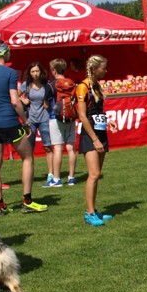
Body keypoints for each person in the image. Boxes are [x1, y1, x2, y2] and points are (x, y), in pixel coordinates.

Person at [0, 41, 46, 215]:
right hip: (9, 122)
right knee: (28, 157)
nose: (11, 54)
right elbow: (15, 101)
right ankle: (27, 201)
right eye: (9, 51)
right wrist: (26, 121)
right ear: (4, 53)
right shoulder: (10, 73)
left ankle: (1, 206)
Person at [75, 55, 112, 227]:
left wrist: (108, 120)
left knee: (96, 175)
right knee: (94, 174)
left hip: (100, 131)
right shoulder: (83, 87)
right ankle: (89, 213)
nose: (105, 71)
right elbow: (83, 116)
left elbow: (96, 111)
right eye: (103, 68)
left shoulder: (96, 85)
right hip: (90, 135)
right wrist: (95, 139)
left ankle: (93, 209)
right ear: (94, 69)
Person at [19, 61, 57, 186]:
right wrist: (23, 100)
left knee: (47, 147)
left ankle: (51, 174)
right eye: (33, 71)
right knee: (29, 149)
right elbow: (15, 96)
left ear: (41, 72)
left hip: (44, 119)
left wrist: (48, 102)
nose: (35, 74)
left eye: (37, 71)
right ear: (29, 73)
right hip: (31, 120)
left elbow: (52, 98)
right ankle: (29, 173)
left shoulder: (46, 85)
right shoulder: (26, 85)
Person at [49, 57, 79, 186]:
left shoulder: (51, 85)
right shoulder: (71, 83)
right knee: (71, 148)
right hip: (71, 117)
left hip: (55, 118)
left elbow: (46, 103)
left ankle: (56, 179)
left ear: (54, 70)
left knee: (58, 149)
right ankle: (71, 177)